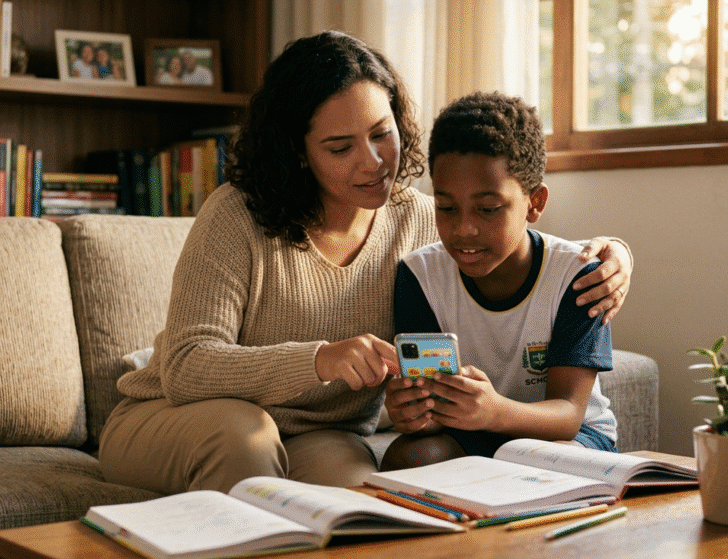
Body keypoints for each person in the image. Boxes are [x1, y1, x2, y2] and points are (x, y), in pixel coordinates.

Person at [97, 31, 632, 496]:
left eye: (381, 133)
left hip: (323, 435)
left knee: (368, 504)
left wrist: (615, 253)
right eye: (340, 147)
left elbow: (508, 234)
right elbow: (187, 366)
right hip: (173, 417)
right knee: (246, 437)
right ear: (297, 150)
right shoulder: (236, 214)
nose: (374, 163)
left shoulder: (426, 220)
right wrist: (319, 360)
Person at [381, 92, 619, 472]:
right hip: (473, 432)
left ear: (534, 202)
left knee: (544, 464)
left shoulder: (577, 277)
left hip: (568, 439)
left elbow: (569, 413)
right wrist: (416, 412)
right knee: (408, 457)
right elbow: (430, 406)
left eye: (488, 209)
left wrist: (493, 412)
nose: (463, 229)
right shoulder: (419, 277)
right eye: (445, 207)